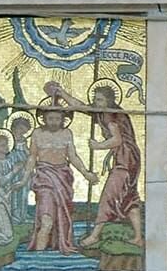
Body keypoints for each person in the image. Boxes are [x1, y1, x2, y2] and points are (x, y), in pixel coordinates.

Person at [48, 82, 143, 249]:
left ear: (108, 101)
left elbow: (117, 139)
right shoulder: (102, 112)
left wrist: (98, 145)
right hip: (128, 158)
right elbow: (81, 106)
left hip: (125, 159)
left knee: (109, 195)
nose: (96, 102)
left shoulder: (110, 115)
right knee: (129, 196)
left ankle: (94, 236)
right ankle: (137, 237)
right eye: (95, 99)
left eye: (99, 100)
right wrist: (62, 94)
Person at [24, 98, 97, 255]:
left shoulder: (66, 133)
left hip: (62, 178)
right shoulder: (37, 133)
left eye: (57, 119)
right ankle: (37, 260)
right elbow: (32, 157)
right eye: (50, 118)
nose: (54, 122)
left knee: (61, 216)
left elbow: (73, 157)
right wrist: (24, 178)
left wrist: (86, 173)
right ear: (44, 118)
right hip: (44, 179)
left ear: (63, 120)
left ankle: (48, 254)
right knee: (46, 220)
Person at [7, 114, 32, 224]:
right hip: (12, 166)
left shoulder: (23, 140)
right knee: (13, 192)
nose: (22, 132)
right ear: (14, 127)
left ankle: (22, 213)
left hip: (24, 168)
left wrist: (31, 159)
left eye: (24, 130)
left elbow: (27, 152)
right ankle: (14, 215)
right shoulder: (8, 138)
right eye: (20, 128)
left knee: (24, 191)